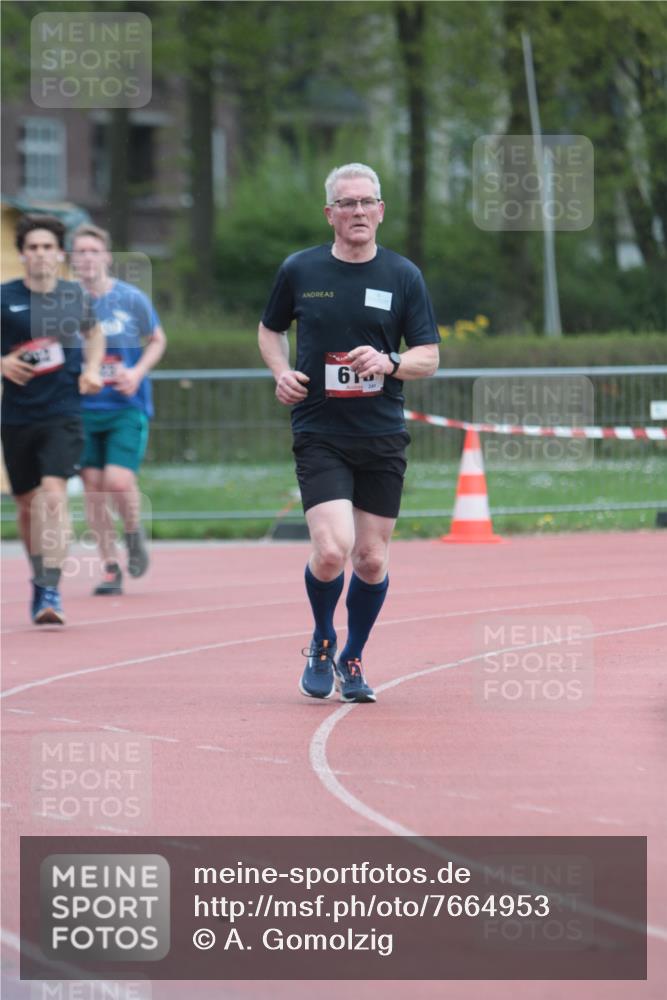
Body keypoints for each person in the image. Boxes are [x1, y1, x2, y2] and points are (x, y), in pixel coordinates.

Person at [258, 163, 440, 703]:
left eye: (366, 203)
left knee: (371, 559)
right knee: (333, 550)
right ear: (330, 214)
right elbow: (270, 330)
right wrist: (281, 372)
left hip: (381, 434)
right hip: (320, 431)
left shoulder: (403, 276)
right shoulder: (300, 271)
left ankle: (352, 655)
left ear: (380, 211)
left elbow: (428, 357)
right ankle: (320, 638)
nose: (357, 212)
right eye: (346, 203)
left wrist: (389, 362)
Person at [1, 215, 104, 624]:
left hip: (62, 412)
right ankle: (38, 579)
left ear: (59, 253)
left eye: (47, 247)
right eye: (33, 247)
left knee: (53, 494)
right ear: (23, 253)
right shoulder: (4, 296)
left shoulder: (72, 296)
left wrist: (92, 369)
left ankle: (50, 588)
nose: (41, 254)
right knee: (27, 505)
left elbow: (94, 333)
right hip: (17, 415)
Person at [70, 224, 167, 595]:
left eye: (94, 251)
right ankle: (110, 566)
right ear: (72, 260)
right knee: (93, 489)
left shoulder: (130, 298)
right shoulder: (63, 303)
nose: (87, 258)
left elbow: (157, 340)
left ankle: (133, 533)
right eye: (80, 252)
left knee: (118, 481)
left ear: (107, 257)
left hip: (126, 406)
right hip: (82, 409)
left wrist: (137, 371)